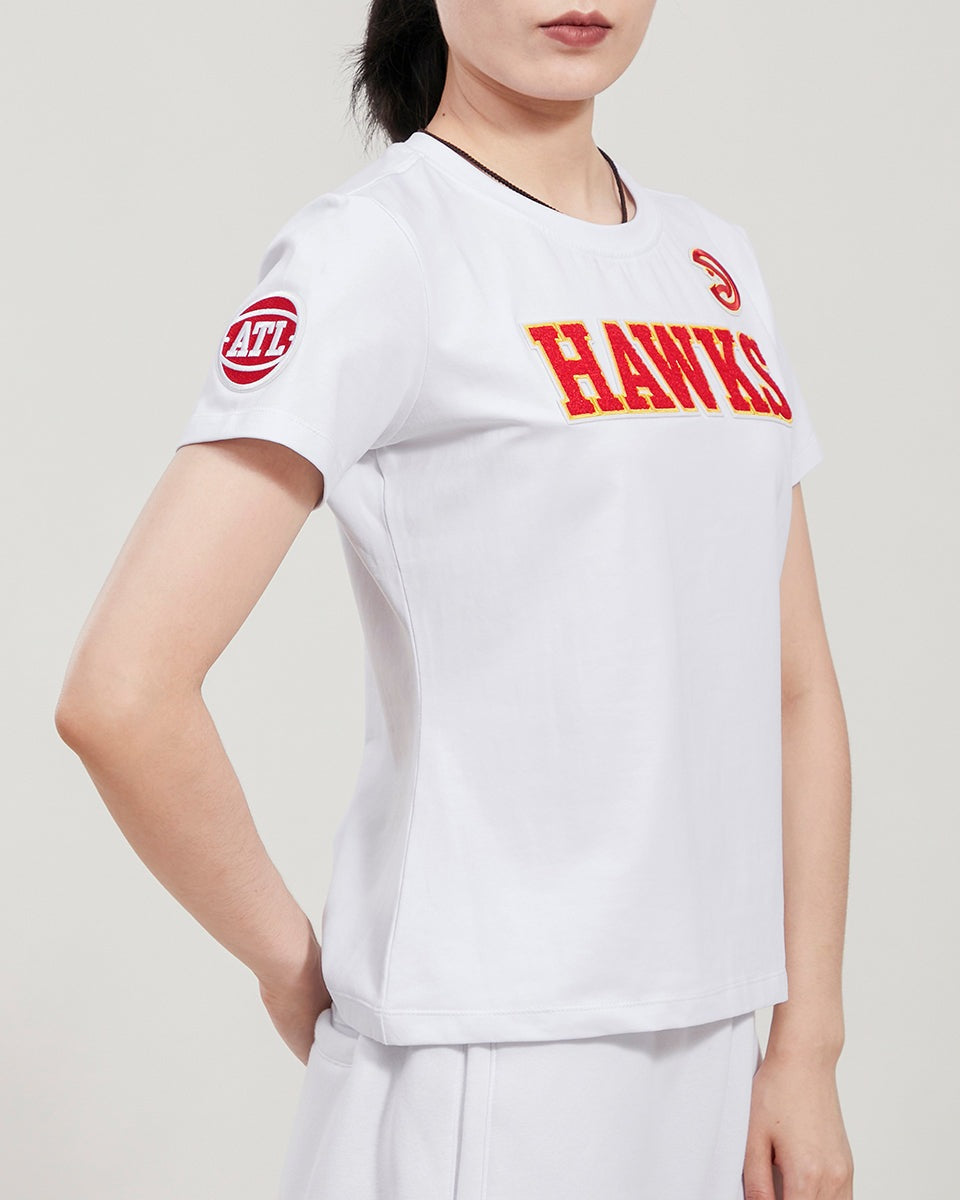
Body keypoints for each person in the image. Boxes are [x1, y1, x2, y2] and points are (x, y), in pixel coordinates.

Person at [54, 1, 854, 1197]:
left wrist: (806, 1044)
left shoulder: (716, 263)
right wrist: (293, 967)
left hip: (715, 1046)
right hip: (485, 1058)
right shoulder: (379, 250)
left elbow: (795, 688)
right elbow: (122, 693)